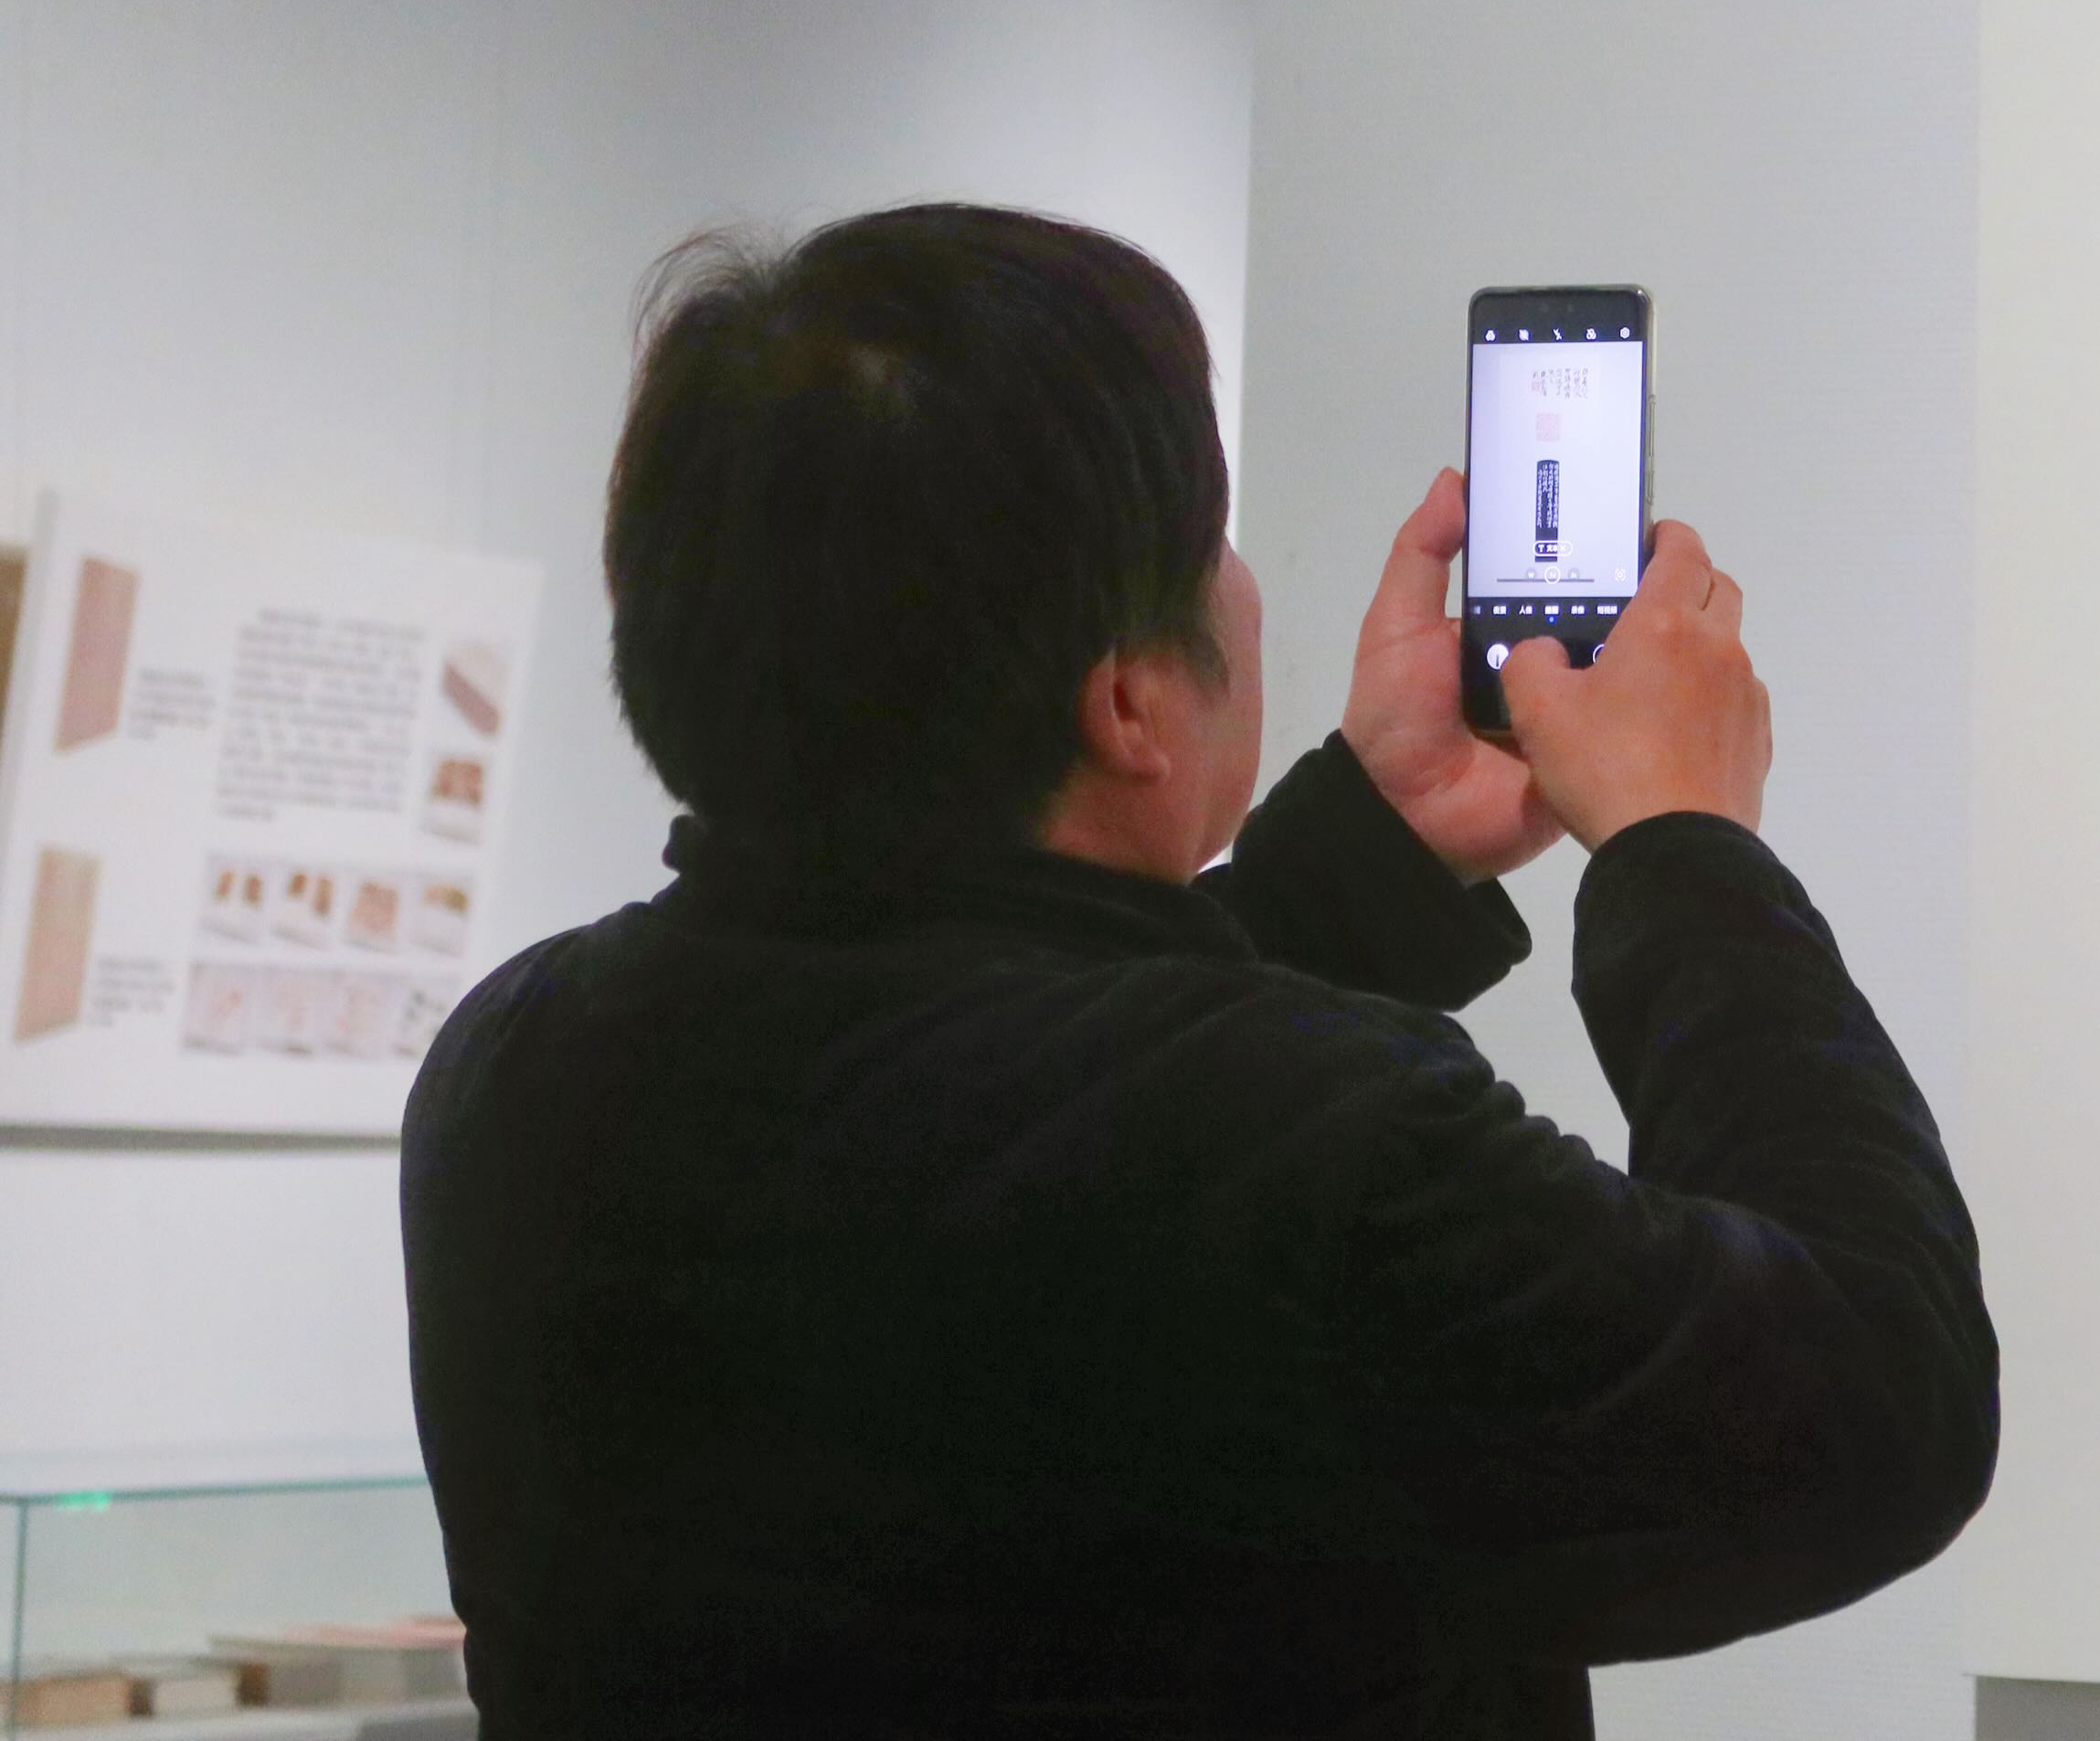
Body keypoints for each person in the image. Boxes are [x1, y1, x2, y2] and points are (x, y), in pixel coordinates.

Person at [400, 205, 1994, 1740]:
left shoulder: (514, 1073)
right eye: (1211, 540)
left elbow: (992, 1113)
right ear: (1126, 704)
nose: (1239, 581)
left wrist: (1362, 855)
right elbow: (1874, 1391)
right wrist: (1680, 841)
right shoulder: (1324, 1153)